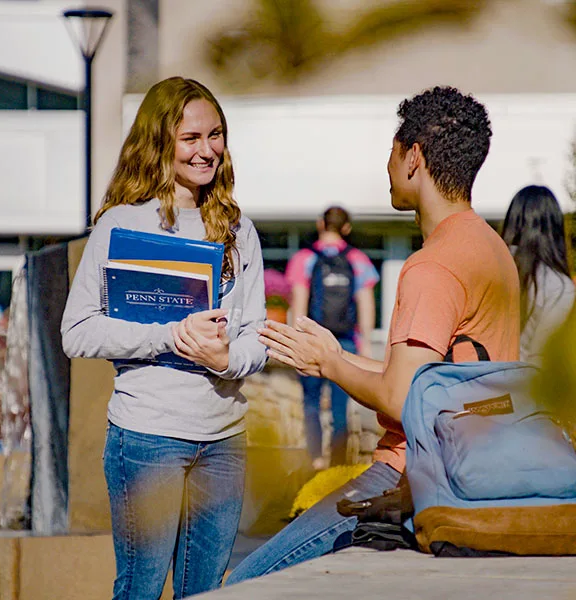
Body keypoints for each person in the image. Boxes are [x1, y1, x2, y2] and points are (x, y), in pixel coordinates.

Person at [226, 85, 520, 585]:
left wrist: (331, 364)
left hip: (411, 473)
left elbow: (401, 396)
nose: (386, 165)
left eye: (391, 149)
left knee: (245, 581)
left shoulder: (433, 265)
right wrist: (332, 353)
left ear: (413, 157)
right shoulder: (491, 247)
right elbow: (434, 381)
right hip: (473, 467)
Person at [60, 77, 267, 600]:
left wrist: (226, 357)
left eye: (215, 135)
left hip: (225, 440)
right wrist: (170, 335)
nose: (207, 151)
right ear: (160, 142)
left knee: (207, 592)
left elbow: (258, 336)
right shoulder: (122, 224)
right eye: (190, 138)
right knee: (140, 590)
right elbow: (77, 331)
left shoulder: (240, 230)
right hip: (148, 437)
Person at [284, 206, 379, 469]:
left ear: (320, 224)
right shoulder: (358, 259)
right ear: (347, 228)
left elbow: (299, 304)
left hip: (312, 341)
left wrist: (297, 341)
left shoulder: (304, 258)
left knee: (312, 404)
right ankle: (337, 464)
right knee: (340, 409)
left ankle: (315, 459)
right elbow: (366, 303)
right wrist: (367, 344)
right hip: (344, 343)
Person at [501, 184, 576, 365]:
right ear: (554, 228)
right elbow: (542, 356)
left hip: (474, 380)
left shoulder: (490, 265)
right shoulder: (558, 285)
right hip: (520, 386)